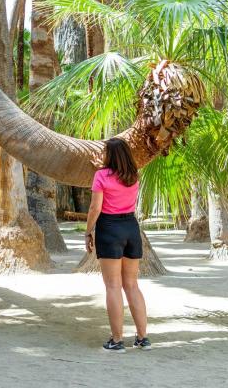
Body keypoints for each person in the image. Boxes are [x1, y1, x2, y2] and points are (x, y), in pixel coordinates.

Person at [85, 137, 151, 352]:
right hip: (131, 228)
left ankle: (117, 340)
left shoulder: (101, 176)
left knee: (113, 286)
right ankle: (142, 338)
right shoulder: (134, 176)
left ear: (109, 155)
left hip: (109, 228)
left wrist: (88, 231)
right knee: (132, 285)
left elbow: (95, 208)